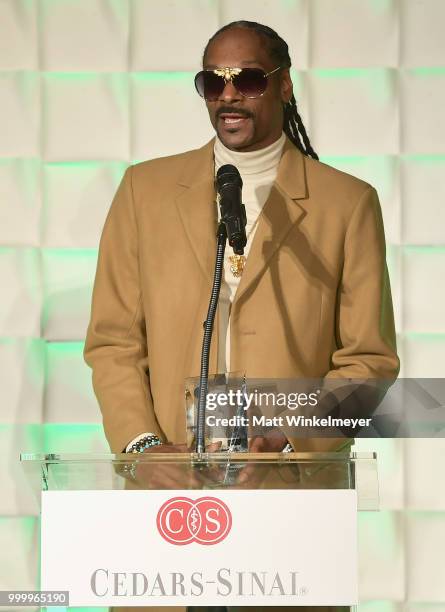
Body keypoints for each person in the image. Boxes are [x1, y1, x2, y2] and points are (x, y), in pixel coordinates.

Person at [84, 20, 399, 612]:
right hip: (171, 501)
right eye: (213, 82)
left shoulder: (347, 203)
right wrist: (145, 448)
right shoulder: (143, 191)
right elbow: (113, 343)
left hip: (291, 507)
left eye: (248, 79)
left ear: (283, 87)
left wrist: (285, 441)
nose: (228, 95)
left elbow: (368, 363)